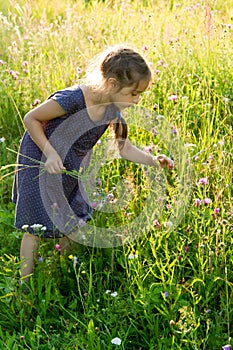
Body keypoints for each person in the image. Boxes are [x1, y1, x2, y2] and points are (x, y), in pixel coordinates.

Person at [12, 44, 174, 282]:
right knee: (34, 225)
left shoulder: (112, 111)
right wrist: (51, 153)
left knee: (73, 221)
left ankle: (63, 275)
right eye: (134, 93)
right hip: (41, 160)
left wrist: (153, 160)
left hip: (71, 168)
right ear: (111, 84)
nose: (137, 101)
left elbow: (124, 148)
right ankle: (24, 285)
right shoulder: (72, 99)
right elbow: (31, 118)